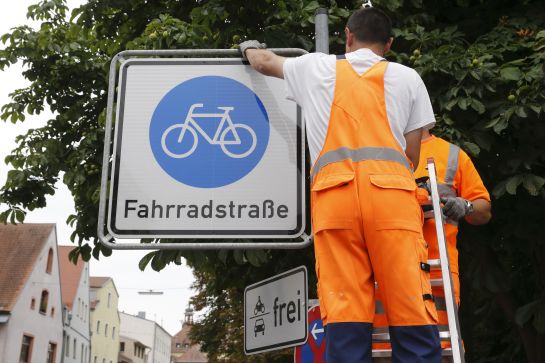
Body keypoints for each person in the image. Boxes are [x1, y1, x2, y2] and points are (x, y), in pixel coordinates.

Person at [241, 7, 441, 362]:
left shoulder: (313, 67)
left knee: (345, 309)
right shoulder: (408, 77)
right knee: (410, 303)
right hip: (392, 202)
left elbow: (263, 62)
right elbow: (411, 153)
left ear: (347, 36)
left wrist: (249, 48)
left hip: (335, 202)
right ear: (389, 44)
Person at [373, 129, 492, 360]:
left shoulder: (450, 155)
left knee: (443, 348)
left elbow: (484, 209)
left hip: (439, 273)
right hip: (390, 269)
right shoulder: (382, 150)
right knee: (384, 349)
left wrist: (464, 206)